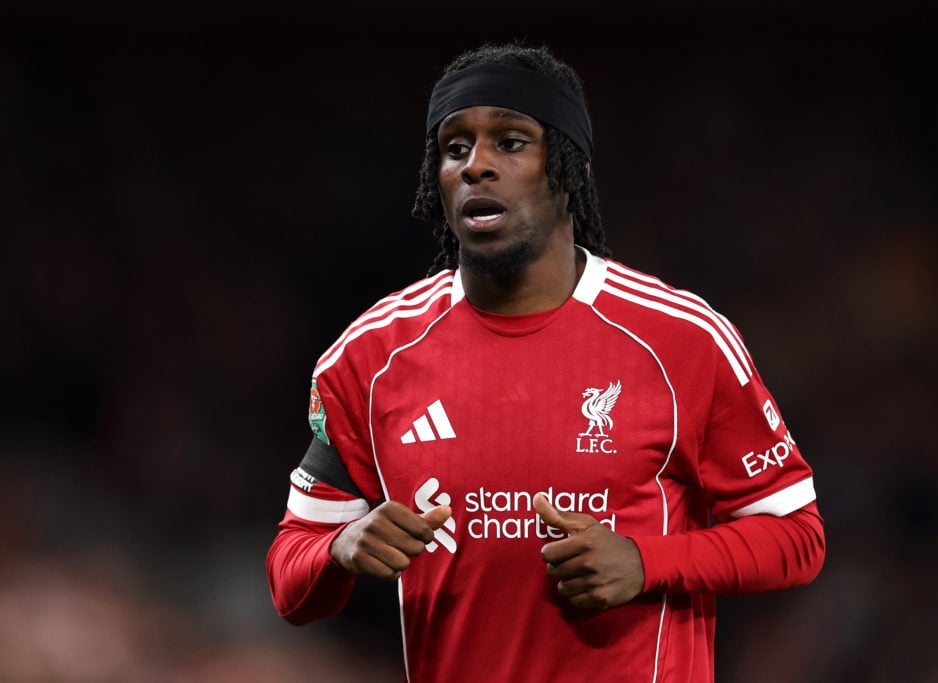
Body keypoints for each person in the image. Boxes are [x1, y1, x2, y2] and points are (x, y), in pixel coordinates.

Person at [266, 42, 825, 682]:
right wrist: (340, 548)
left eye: (510, 142)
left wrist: (648, 562)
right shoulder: (369, 359)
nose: (477, 166)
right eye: (455, 149)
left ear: (566, 168)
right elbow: (291, 577)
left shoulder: (682, 340)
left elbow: (797, 537)